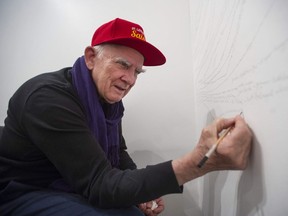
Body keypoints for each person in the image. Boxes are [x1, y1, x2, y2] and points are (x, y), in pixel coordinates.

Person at [0, 18, 252, 216]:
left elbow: (117, 153)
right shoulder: (48, 99)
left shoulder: (107, 98)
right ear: (91, 58)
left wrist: (143, 192)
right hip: (22, 193)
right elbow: (100, 185)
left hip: (67, 186)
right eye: (122, 64)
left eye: (137, 72)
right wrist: (199, 162)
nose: (130, 79)